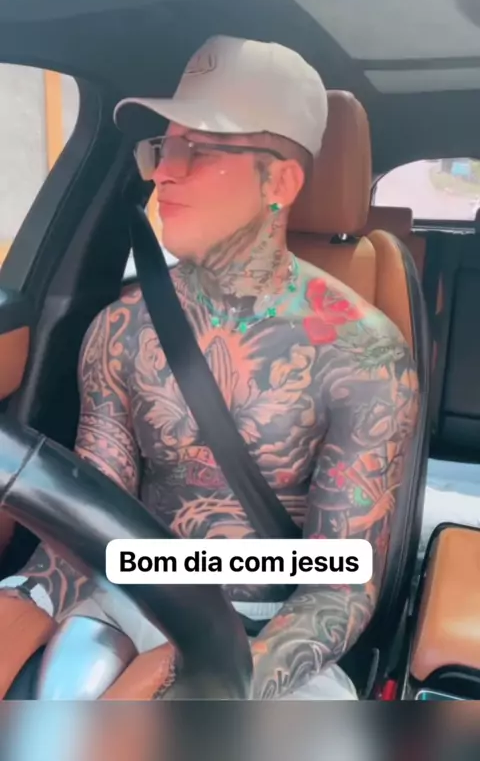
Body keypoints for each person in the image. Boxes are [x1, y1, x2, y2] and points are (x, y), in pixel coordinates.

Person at [0, 35, 419, 700]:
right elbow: (92, 515)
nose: (163, 174)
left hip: (271, 629)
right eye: (162, 150)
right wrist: (25, 598)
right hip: (127, 594)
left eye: (197, 151)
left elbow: (340, 582)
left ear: (279, 182)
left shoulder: (363, 354)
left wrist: (230, 683)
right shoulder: (120, 331)